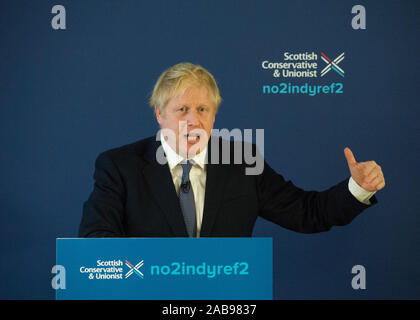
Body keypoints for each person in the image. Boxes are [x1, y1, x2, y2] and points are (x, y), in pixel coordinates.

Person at [78, 62, 385, 238]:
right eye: (182, 109)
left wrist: (356, 188)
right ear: (160, 114)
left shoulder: (242, 163)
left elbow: (308, 213)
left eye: (202, 109)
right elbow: (96, 238)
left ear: (214, 115)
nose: (193, 120)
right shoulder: (120, 166)